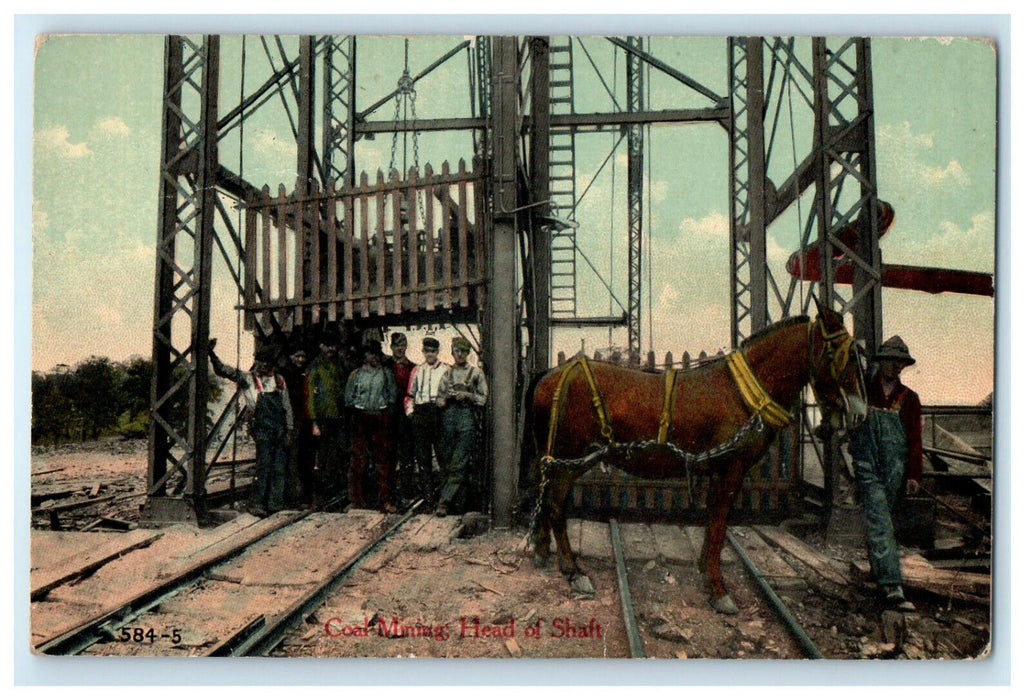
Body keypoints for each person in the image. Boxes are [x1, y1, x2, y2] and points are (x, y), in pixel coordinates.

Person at [848, 335, 923, 612]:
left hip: (895, 467)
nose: (895, 367)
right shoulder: (864, 392)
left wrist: (915, 475)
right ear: (881, 362)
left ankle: (879, 572)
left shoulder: (910, 399)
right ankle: (892, 585)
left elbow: (915, 440)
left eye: (899, 363)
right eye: (891, 361)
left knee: (882, 519)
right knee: (879, 517)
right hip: (867, 463)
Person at [209, 339, 293, 517]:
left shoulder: (279, 381)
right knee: (263, 465)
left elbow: (287, 407)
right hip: (262, 428)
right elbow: (224, 371)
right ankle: (257, 503)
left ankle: (275, 503)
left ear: (271, 363)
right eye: (259, 362)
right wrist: (212, 355)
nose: (260, 366)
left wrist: (290, 430)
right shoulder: (248, 379)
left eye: (264, 362)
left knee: (279, 467)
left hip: (280, 428)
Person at [434, 336, 488, 516]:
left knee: (460, 461)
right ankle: (458, 504)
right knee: (448, 460)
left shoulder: (476, 373)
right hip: (449, 418)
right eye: (457, 351)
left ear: (468, 353)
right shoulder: (447, 374)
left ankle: (444, 502)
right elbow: (439, 400)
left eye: (464, 352)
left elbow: (483, 398)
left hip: (466, 417)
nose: (460, 355)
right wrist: (447, 397)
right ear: (452, 352)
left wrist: (468, 396)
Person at [344, 341, 398, 513]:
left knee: (383, 461)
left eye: (376, 354)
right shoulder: (356, 374)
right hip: (361, 418)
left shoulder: (386, 373)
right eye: (370, 354)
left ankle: (385, 500)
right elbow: (348, 398)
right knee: (358, 460)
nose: (374, 357)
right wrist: (359, 409)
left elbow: (392, 396)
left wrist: (383, 413)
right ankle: (356, 500)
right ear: (364, 357)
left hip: (380, 419)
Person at [405, 336, 449, 506]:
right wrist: (411, 414)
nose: (430, 354)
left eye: (433, 351)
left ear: (437, 352)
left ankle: (444, 498)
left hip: (438, 414)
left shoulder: (445, 370)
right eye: (427, 351)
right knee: (423, 459)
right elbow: (409, 396)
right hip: (421, 415)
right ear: (423, 352)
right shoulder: (417, 370)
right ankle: (428, 498)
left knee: (442, 457)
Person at [307, 338, 348, 508]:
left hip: (338, 419)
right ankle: (318, 496)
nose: (330, 348)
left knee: (338, 456)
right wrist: (314, 422)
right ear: (321, 346)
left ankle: (336, 493)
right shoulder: (315, 368)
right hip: (323, 419)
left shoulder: (339, 367)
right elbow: (311, 397)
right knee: (321, 458)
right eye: (327, 345)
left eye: (333, 345)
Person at [385, 332, 417, 500]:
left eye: (402, 345)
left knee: (406, 454)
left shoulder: (413, 367)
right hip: (388, 415)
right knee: (389, 454)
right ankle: (389, 491)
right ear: (391, 347)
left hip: (405, 417)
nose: (400, 348)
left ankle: (406, 490)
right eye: (397, 345)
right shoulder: (385, 366)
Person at [283, 347, 315, 508]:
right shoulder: (285, 376)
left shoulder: (307, 375)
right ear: (291, 356)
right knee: (293, 462)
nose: (301, 359)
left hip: (305, 423)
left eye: (303, 356)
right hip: (293, 423)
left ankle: (304, 497)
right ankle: (293, 498)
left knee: (305, 462)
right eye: (298, 355)